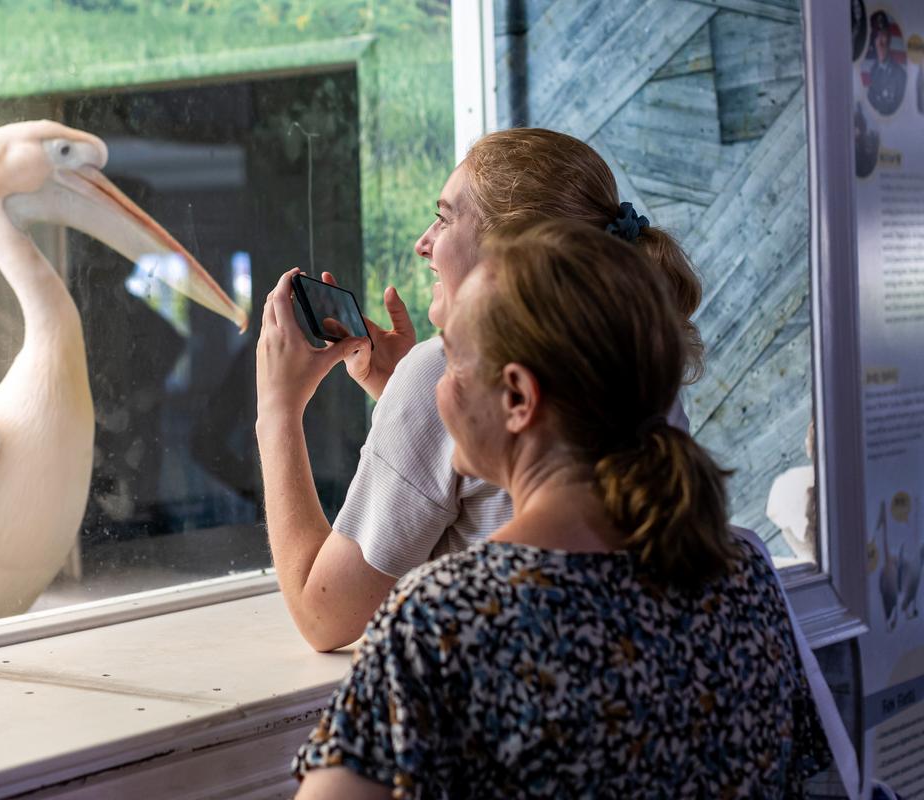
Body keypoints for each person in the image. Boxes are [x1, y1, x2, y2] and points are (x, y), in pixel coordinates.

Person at [291, 219, 832, 797]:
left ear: (519, 398)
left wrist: (278, 411)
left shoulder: (446, 621)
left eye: (447, 358)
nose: (433, 386)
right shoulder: (742, 579)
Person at [256, 128, 702, 655]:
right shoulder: (638, 357)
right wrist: (412, 397)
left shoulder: (449, 613)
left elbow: (323, 615)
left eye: (444, 218)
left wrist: (278, 411)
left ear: (505, 255)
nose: (423, 242)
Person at [867, 10, 906, 116]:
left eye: (883, 35)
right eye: (876, 36)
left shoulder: (900, 74)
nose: (880, 42)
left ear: (889, 38)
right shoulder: (872, 72)